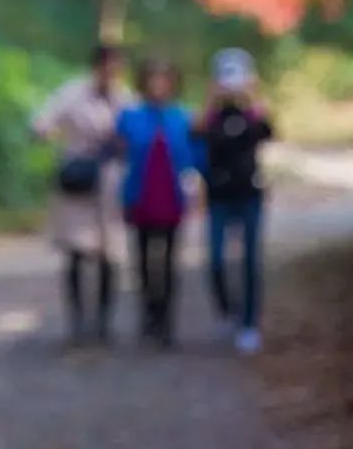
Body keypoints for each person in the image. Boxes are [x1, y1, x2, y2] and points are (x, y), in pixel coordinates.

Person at [32, 43, 130, 345]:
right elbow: (43, 120)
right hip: (77, 179)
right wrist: (46, 131)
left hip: (110, 182)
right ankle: (77, 320)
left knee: (110, 254)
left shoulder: (125, 98)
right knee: (75, 251)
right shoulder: (73, 93)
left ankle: (103, 322)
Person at [195, 47, 274, 355]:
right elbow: (196, 133)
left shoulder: (250, 115)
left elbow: (268, 131)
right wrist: (211, 98)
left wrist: (253, 95)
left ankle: (250, 323)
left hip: (249, 194)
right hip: (218, 196)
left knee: (251, 259)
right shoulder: (213, 117)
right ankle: (228, 310)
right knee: (215, 259)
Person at [115, 57, 198, 348]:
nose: (158, 85)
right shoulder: (130, 117)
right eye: (153, 79)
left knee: (170, 262)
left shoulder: (183, 117)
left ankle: (166, 321)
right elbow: (119, 153)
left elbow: (193, 158)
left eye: (164, 80)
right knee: (143, 261)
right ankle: (148, 316)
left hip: (172, 198)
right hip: (141, 197)